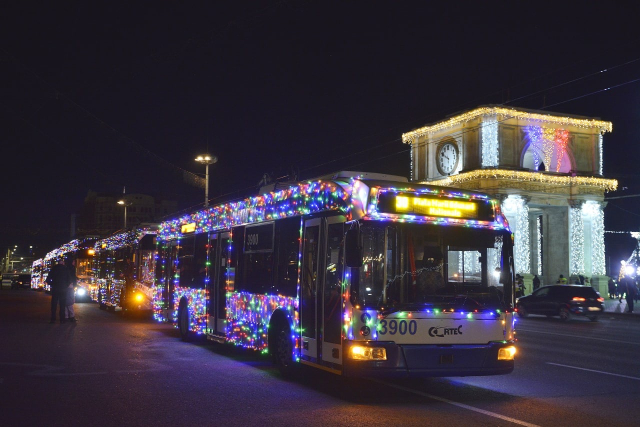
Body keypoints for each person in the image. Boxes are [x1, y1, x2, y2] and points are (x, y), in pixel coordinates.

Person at [46, 258, 71, 323]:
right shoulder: (66, 269)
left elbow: (48, 279)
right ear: (63, 263)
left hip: (55, 289)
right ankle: (62, 319)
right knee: (62, 305)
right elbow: (69, 280)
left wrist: (52, 284)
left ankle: (53, 319)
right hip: (63, 289)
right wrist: (65, 285)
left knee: (54, 304)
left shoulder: (53, 269)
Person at [64, 257, 78, 322]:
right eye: (74, 261)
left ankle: (66, 316)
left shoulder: (65, 268)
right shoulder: (71, 268)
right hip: (69, 285)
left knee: (66, 302)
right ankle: (71, 316)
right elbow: (72, 276)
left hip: (65, 286)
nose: (75, 263)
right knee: (70, 302)